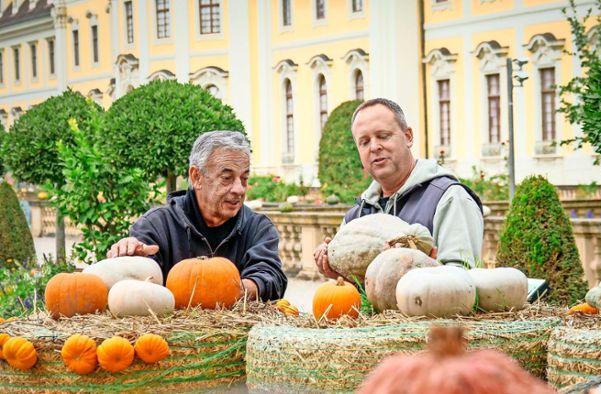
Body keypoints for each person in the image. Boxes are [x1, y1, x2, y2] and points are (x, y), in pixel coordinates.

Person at [314, 98, 484, 279]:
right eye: (364, 142)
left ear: (408, 137)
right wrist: (340, 274)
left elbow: (462, 283)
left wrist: (409, 264)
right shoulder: (356, 215)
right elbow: (358, 297)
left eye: (383, 136)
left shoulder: (450, 198)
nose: (374, 147)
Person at [107, 130, 287, 301]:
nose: (239, 189)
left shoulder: (258, 227)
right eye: (227, 178)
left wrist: (234, 289)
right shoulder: (155, 225)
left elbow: (271, 276)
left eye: (244, 178)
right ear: (196, 177)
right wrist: (130, 257)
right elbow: (138, 283)